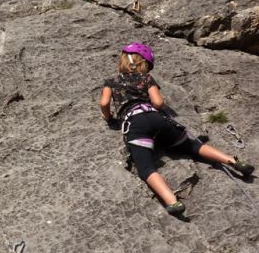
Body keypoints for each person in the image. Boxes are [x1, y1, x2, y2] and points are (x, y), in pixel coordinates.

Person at [99, 42, 254, 215]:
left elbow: (104, 103)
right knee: (193, 146)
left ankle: (172, 201)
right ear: (144, 65)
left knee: (146, 167)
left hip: (135, 124)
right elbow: (158, 102)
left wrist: (109, 117)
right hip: (158, 119)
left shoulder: (111, 82)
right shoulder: (147, 78)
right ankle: (232, 160)